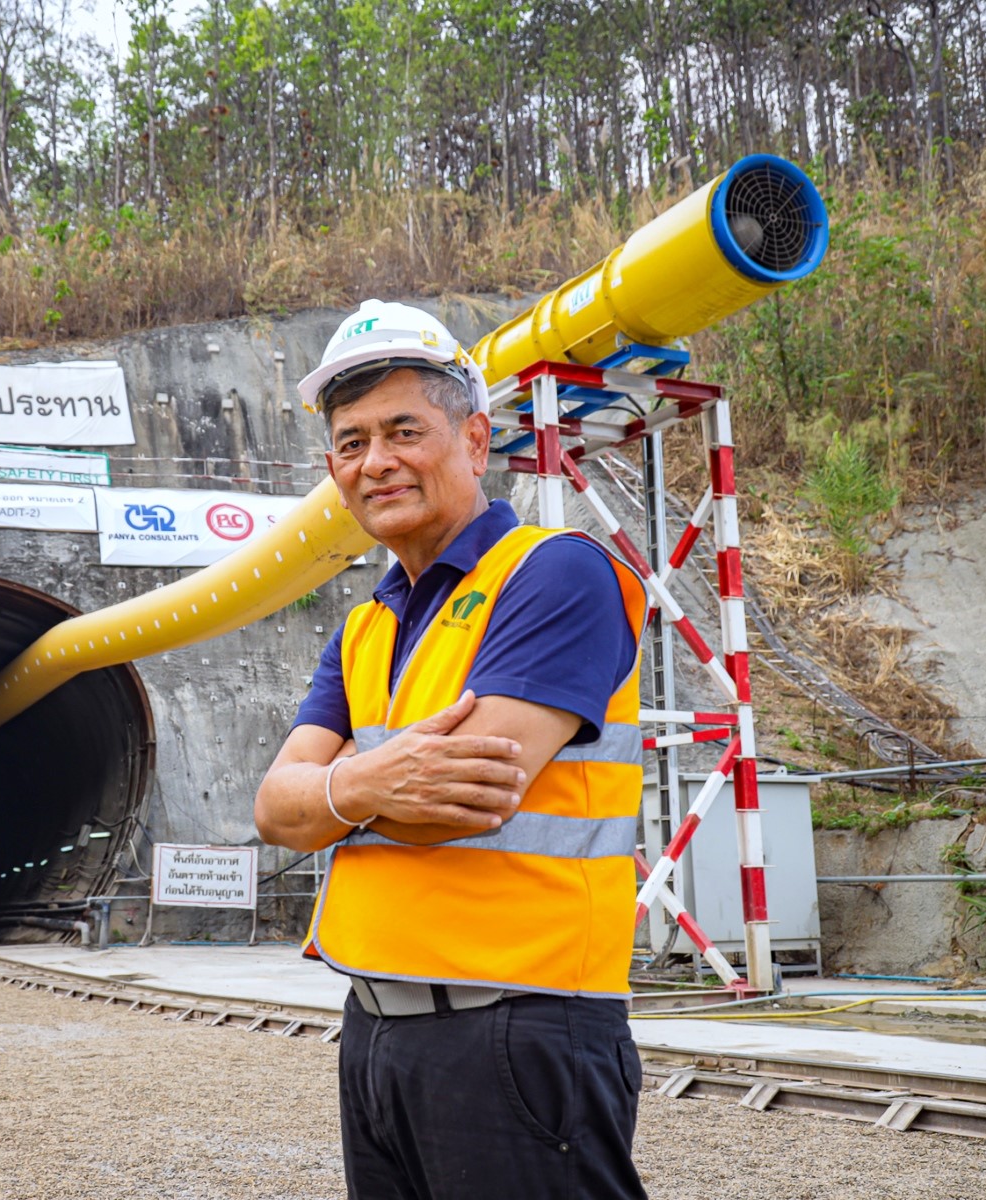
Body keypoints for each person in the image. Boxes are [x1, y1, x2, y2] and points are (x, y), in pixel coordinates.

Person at [254, 299, 649, 1200]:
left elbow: (461, 803)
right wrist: (374, 780)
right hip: (376, 1032)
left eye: (404, 430)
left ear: (475, 439)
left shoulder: (555, 574)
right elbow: (276, 813)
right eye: (351, 443)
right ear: (332, 469)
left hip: (517, 1031)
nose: (376, 461)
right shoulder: (367, 625)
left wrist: (336, 794)